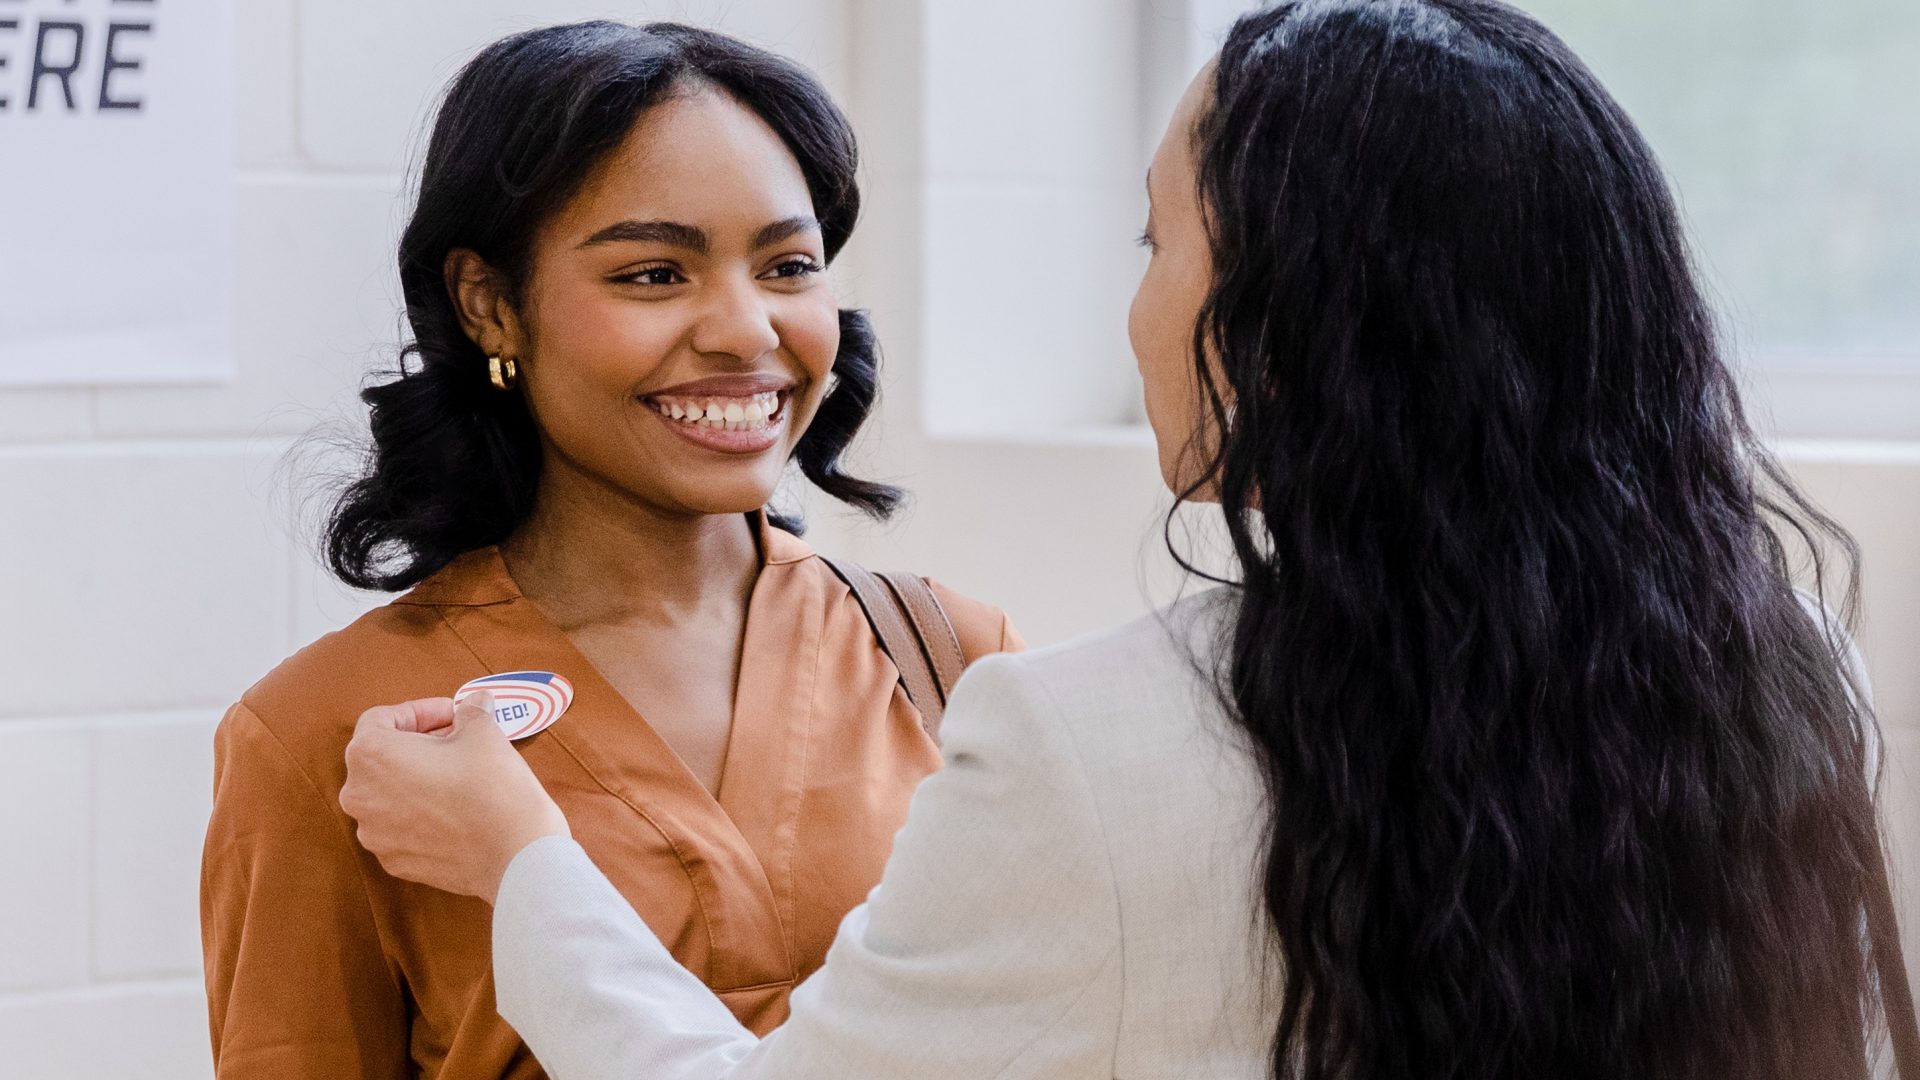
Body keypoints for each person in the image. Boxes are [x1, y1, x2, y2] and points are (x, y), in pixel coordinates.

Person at [339, 2, 1918, 1078]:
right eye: (651, 273)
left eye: (1161, 239)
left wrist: (523, 865)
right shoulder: (1787, 671)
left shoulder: (1043, 720)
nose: (744, 331)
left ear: (1289, 323)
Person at [198, 22, 1020, 1080]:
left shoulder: (952, 658)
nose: (745, 330)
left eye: (788, 265)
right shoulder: (324, 730)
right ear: (491, 305)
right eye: (653, 274)